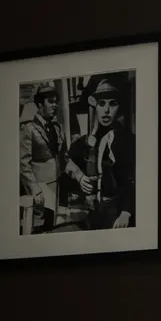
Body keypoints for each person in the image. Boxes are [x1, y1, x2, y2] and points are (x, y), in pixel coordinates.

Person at [64, 73, 135, 229]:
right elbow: (66, 161)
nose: (107, 111)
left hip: (116, 212)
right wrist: (79, 176)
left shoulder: (128, 141)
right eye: (102, 104)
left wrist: (126, 212)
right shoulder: (85, 141)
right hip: (92, 212)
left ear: (119, 107)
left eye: (112, 104)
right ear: (94, 105)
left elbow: (134, 179)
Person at [19, 80, 65, 232]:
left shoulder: (57, 127)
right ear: (39, 105)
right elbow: (23, 163)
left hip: (56, 186)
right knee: (39, 229)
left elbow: (62, 155)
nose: (54, 105)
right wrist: (34, 189)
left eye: (56, 102)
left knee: (53, 227)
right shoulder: (28, 129)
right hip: (41, 189)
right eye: (50, 102)